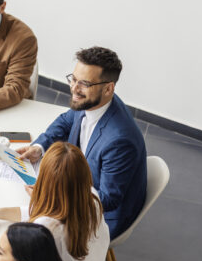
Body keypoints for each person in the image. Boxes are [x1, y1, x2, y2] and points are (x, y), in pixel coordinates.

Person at [17, 47, 146, 238]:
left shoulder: (120, 140)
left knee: (30, 231)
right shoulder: (93, 101)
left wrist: (54, 194)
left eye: (84, 83)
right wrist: (39, 147)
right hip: (78, 185)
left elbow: (107, 200)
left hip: (103, 219)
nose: (74, 89)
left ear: (108, 88)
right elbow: (65, 121)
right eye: (74, 79)